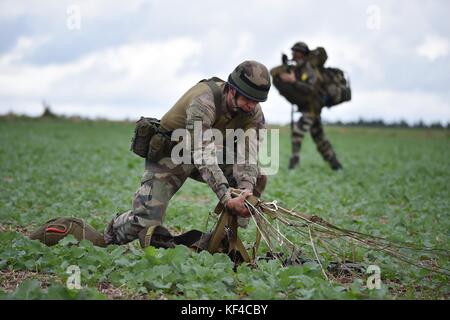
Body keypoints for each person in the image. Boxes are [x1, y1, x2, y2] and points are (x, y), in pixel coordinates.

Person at [104, 61, 271, 246]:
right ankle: (111, 233)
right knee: (146, 220)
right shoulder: (204, 100)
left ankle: (222, 239)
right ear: (232, 90)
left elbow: (248, 155)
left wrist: (245, 191)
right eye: (247, 99)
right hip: (172, 153)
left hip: (208, 150)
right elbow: (201, 153)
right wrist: (225, 197)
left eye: (256, 101)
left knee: (258, 177)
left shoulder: (253, 112)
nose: (251, 106)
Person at [271, 42, 343, 170]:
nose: (293, 54)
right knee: (319, 138)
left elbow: (311, 89)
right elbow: (274, 72)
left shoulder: (308, 68)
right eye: (292, 52)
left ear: (301, 54)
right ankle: (335, 164)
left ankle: (294, 163)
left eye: (295, 52)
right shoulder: (297, 68)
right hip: (308, 108)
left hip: (312, 108)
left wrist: (294, 82)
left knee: (298, 132)